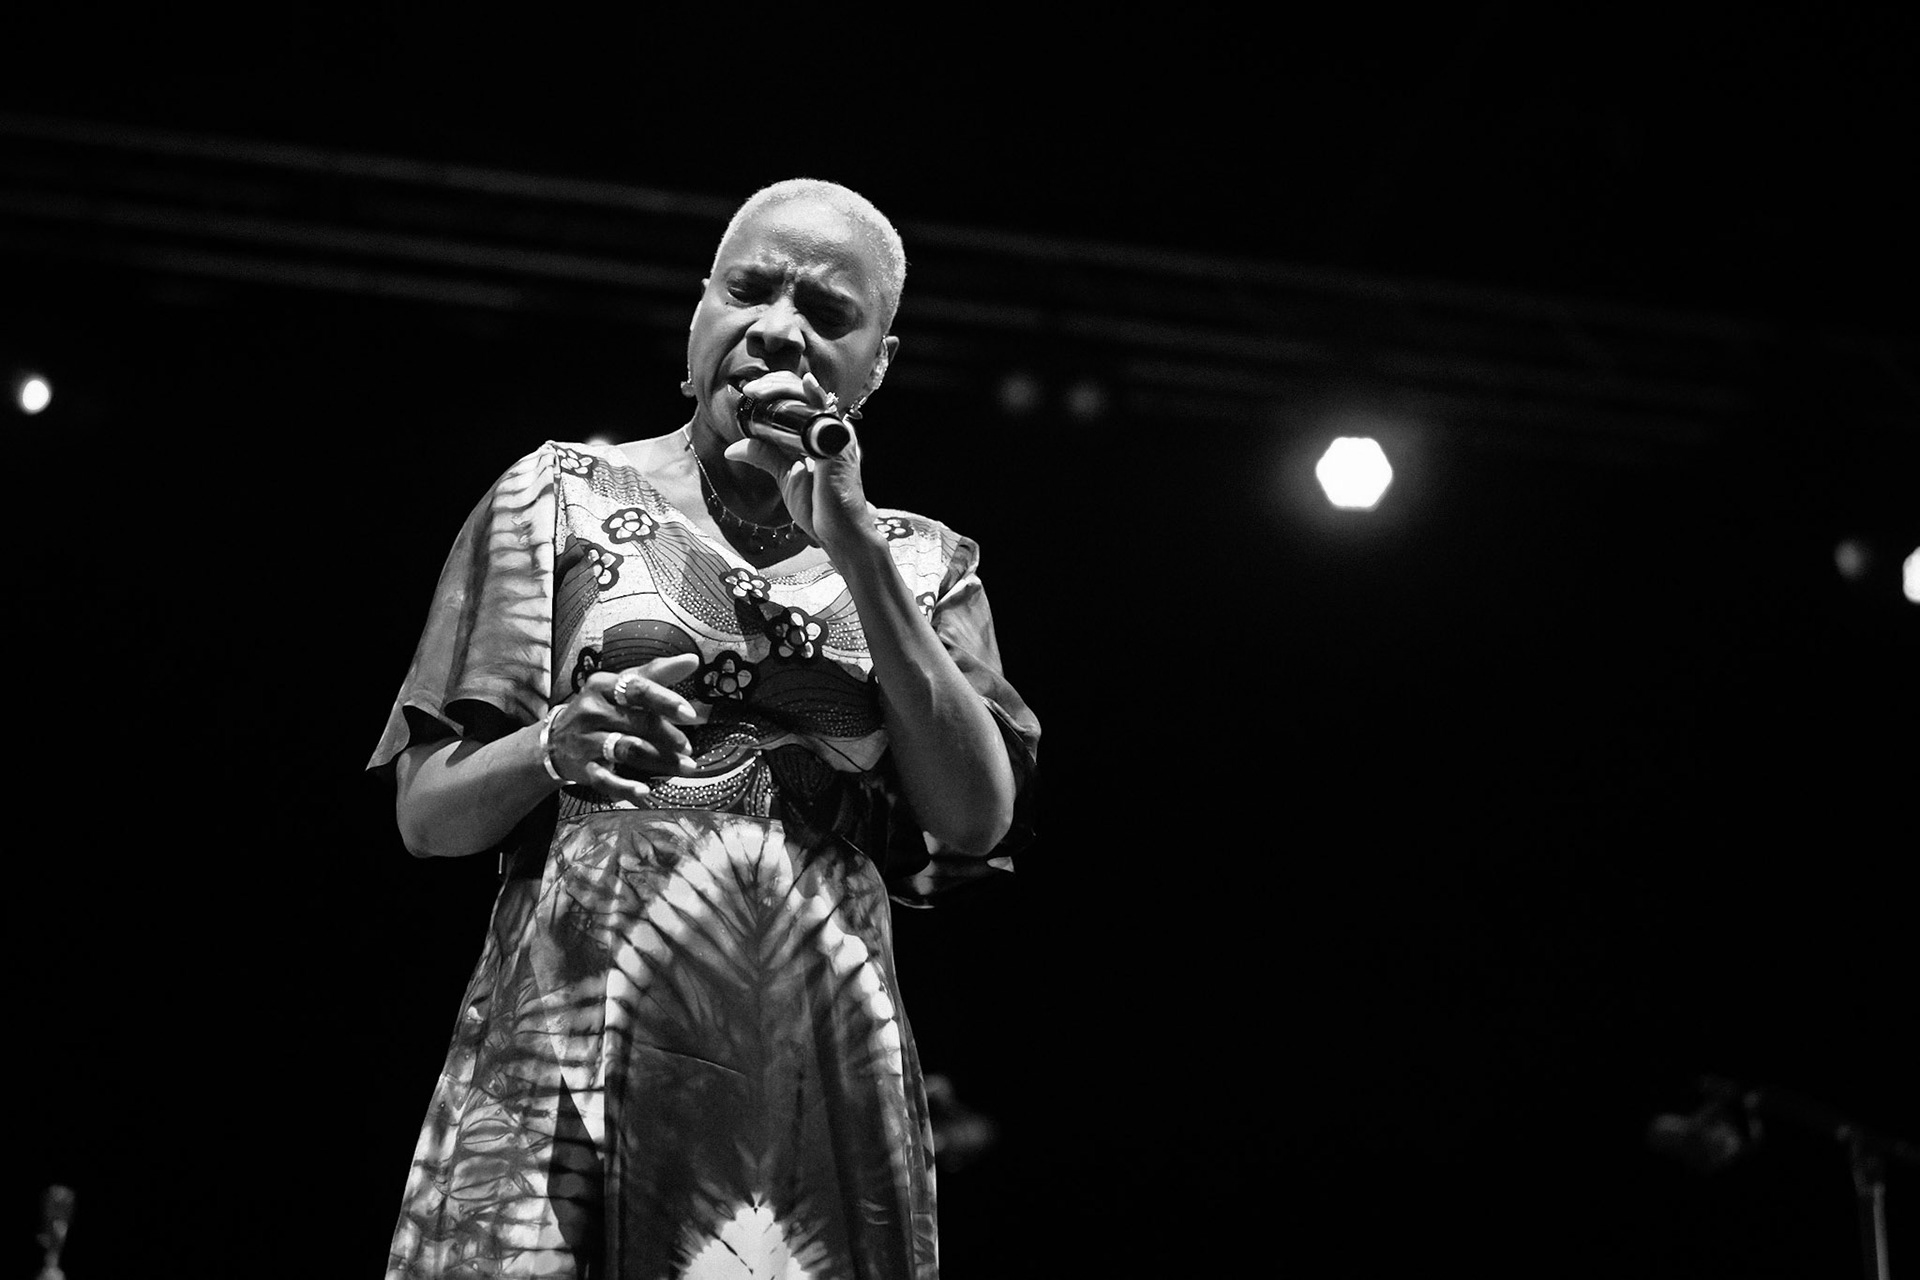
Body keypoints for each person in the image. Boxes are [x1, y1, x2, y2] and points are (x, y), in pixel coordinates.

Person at [368, 178, 1039, 1279]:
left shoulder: (925, 565)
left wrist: (855, 546)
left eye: (828, 314)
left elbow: (973, 815)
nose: (778, 328)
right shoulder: (558, 494)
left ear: (877, 364)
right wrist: (551, 745)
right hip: (569, 1056)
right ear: (698, 318)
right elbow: (427, 815)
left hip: (809, 1079)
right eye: (750, 290)